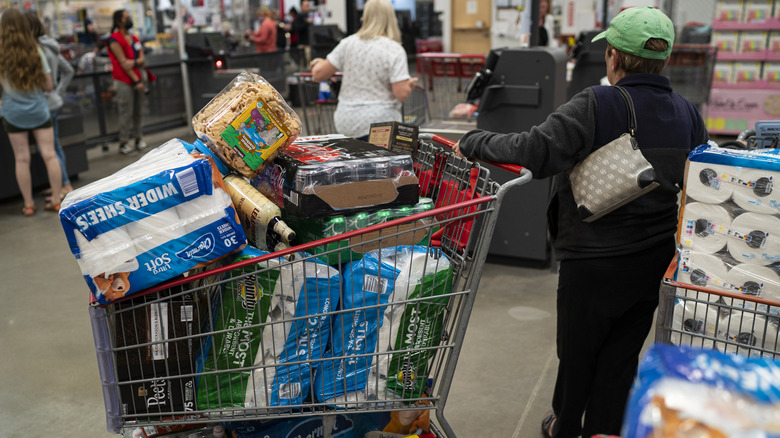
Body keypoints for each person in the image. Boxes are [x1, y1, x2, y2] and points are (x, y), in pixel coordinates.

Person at [452, 7, 708, 438]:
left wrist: (473, 141)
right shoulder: (687, 111)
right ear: (663, 59)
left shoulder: (597, 101)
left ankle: (565, 426)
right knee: (622, 353)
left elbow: (533, 150)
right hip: (654, 257)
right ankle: (605, 430)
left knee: (578, 352)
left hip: (591, 257)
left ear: (613, 57)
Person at [309, 0, 418, 141]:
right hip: (381, 125)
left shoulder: (348, 43)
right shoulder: (394, 49)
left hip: (346, 121)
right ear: (391, 18)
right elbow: (401, 93)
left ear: (364, 17)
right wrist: (409, 84)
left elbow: (318, 74)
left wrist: (319, 62)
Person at [0, 8, 62, 215]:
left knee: (21, 158)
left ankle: (28, 204)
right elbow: (48, 86)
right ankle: (56, 200)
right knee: (49, 155)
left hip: (13, 112)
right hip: (38, 110)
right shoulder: (36, 51)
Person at [25, 10, 76, 201]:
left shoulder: (37, 49)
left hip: (44, 103)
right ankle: (61, 183)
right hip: (53, 101)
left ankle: (64, 185)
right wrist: (59, 91)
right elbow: (68, 70)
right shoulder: (50, 46)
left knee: (48, 149)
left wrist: (56, 90)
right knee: (53, 146)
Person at [108, 9, 148, 154]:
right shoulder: (114, 39)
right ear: (119, 21)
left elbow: (142, 59)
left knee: (138, 111)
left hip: (138, 78)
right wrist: (137, 81)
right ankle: (123, 142)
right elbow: (124, 64)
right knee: (126, 112)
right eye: (126, 18)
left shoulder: (134, 38)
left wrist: (134, 62)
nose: (129, 20)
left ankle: (138, 138)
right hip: (123, 80)